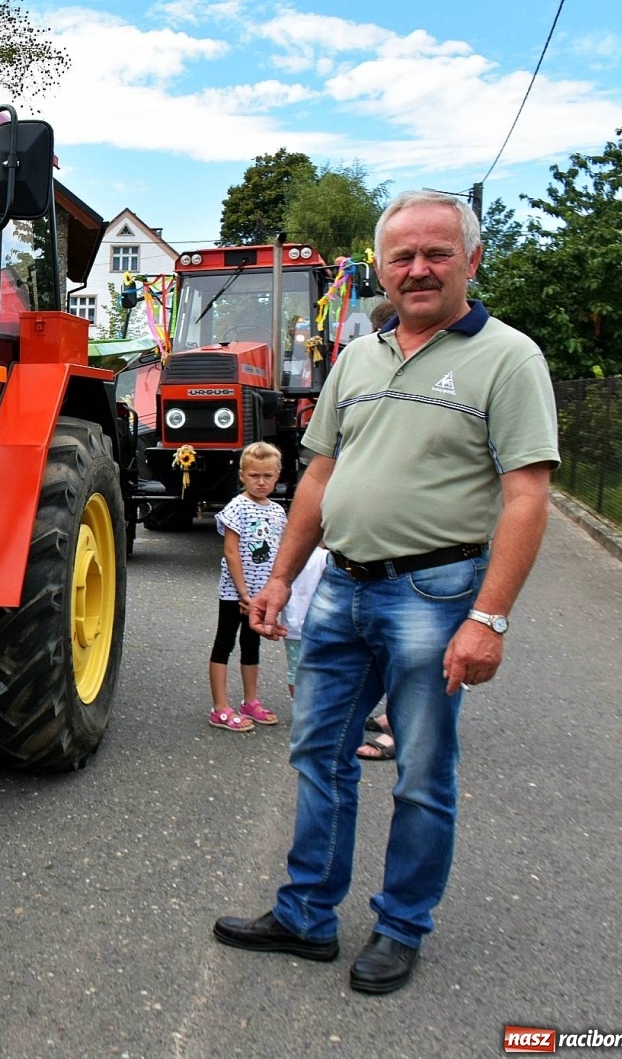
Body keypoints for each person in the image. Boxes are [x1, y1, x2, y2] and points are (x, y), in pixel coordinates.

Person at [212, 189, 560, 995]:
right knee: (318, 753)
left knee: (420, 771)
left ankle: (401, 926)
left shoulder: (508, 357)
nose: (418, 268)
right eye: (401, 256)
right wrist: (282, 578)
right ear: (380, 266)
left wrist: (488, 617)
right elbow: (319, 476)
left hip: (436, 595)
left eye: (437, 252)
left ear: (472, 260)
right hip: (341, 586)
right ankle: (306, 915)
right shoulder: (359, 359)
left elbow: (527, 495)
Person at [207, 442, 288, 732]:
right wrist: (244, 594)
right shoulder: (236, 508)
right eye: (255, 476)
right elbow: (231, 552)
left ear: (278, 475)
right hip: (235, 593)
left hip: (262, 594)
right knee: (224, 643)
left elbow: (280, 554)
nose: (261, 482)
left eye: (267, 476)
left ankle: (250, 701)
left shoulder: (278, 513)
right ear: (242, 475)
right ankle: (220, 708)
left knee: (251, 645)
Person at [280, 544, 330, 705]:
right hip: (319, 622)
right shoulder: (325, 557)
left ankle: (300, 708)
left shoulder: (287, 556)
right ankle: (318, 706)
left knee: (295, 670)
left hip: (292, 622)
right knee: (322, 666)